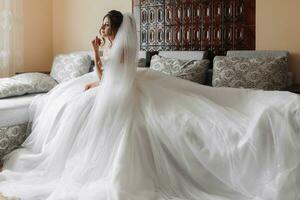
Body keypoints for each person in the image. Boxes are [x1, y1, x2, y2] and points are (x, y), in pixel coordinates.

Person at [0, 10, 299, 200]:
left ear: (116, 28)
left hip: (126, 91)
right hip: (124, 86)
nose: (102, 30)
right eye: (102, 26)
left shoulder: (120, 49)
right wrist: (95, 63)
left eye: (106, 26)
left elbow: (107, 80)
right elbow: (106, 78)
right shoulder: (117, 47)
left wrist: (95, 63)